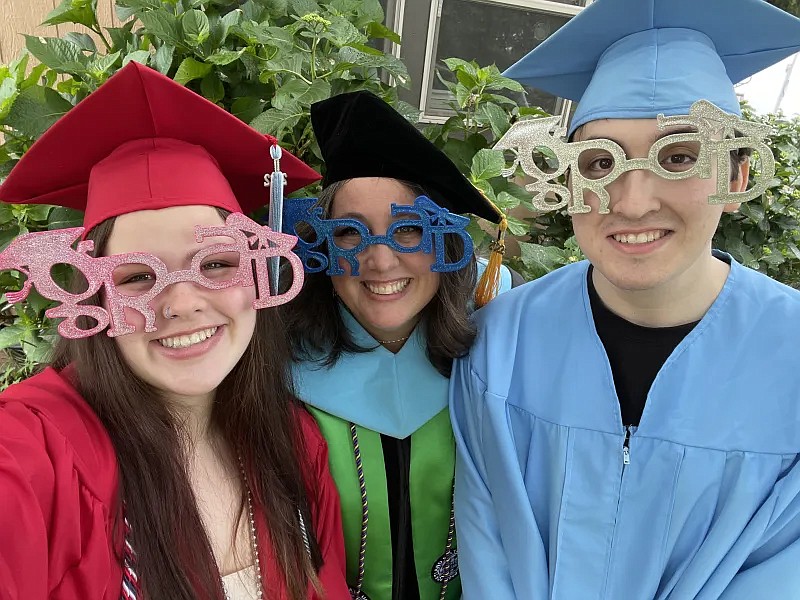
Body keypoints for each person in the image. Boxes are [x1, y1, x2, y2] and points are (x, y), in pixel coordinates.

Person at [450, 0, 800, 598]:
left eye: (680, 156)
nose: (632, 203)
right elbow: (489, 555)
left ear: (737, 177)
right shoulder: (500, 344)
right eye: (599, 162)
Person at [0, 62, 350, 600]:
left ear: (257, 272)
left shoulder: (294, 441)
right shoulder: (35, 451)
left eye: (214, 263)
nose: (183, 303)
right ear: (94, 297)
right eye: (138, 276)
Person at [281, 91, 513, 600]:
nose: (381, 263)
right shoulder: (279, 366)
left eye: (408, 230)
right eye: (349, 233)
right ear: (322, 246)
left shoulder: (502, 347)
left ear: (446, 242)